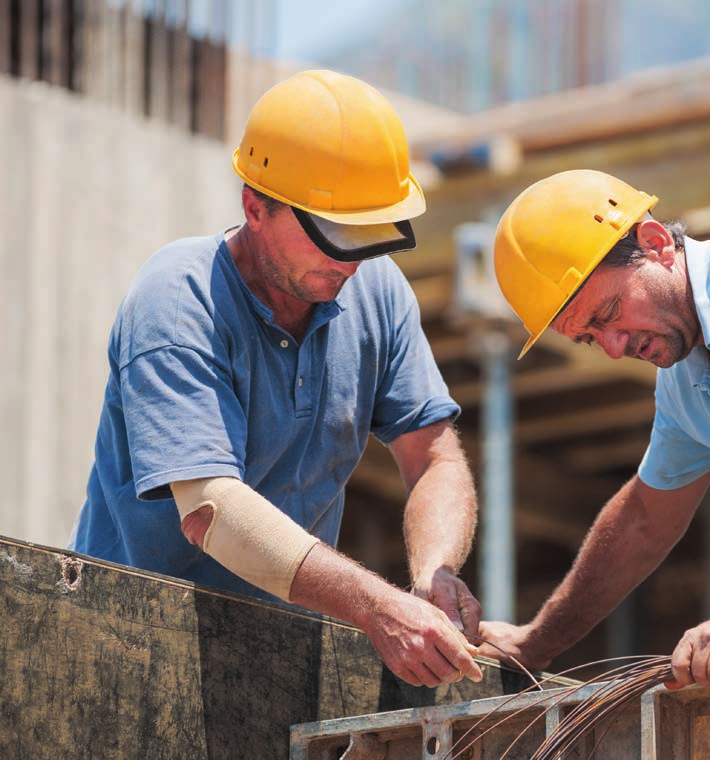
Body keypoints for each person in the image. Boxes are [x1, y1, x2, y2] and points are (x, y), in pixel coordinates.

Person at [68, 69, 482, 689]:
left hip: (279, 658)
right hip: (128, 650)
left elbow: (434, 458)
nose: (350, 259)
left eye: (368, 233)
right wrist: (376, 607)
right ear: (254, 207)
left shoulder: (377, 293)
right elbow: (211, 510)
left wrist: (434, 574)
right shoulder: (179, 298)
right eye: (332, 234)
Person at [479, 168, 710, 689]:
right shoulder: (685, 378)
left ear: (657, 243)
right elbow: (644, 519)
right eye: (592, 338)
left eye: (610, 312)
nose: (616, 348)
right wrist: (538, 642)